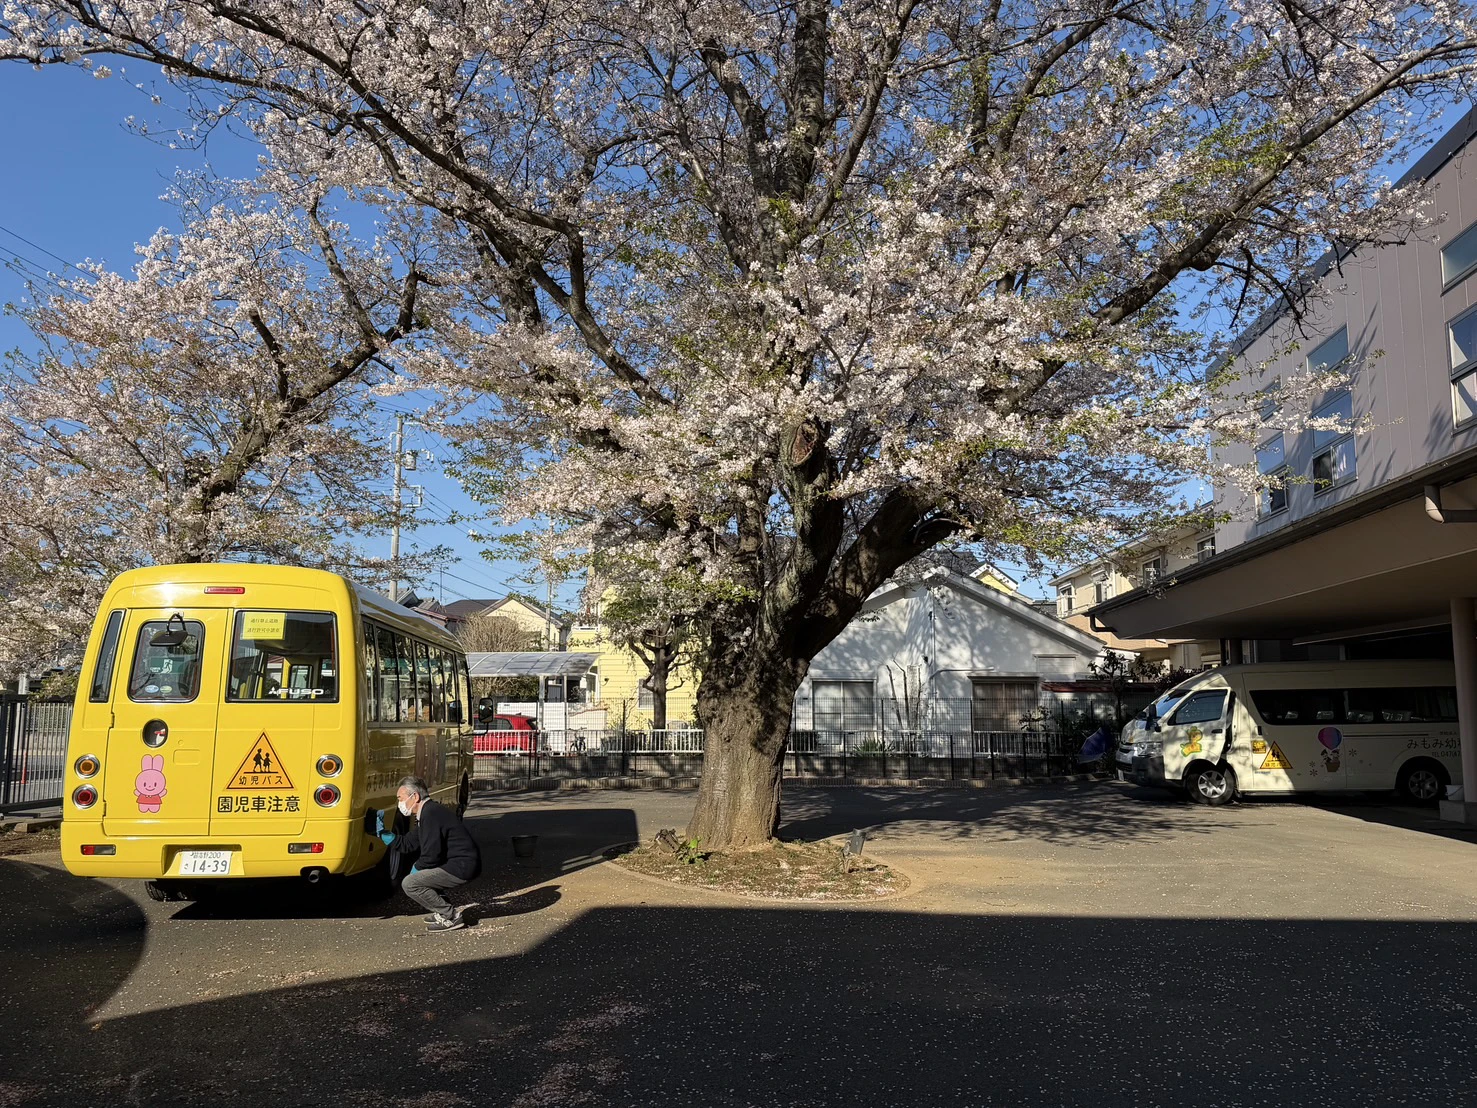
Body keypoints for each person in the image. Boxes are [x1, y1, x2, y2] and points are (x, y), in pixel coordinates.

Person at [376, 776, 481, 933]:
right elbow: (407, 844)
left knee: (410, 883)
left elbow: (431, 855)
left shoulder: (430, 814)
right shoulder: (428, 812)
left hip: (462, 866)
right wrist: (383, 834)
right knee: (420, 876)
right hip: (460, 863)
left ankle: (450, 916)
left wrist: (417, 869)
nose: (400, 804)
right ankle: (443, 911)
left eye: (400, 798)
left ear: (415, 796)